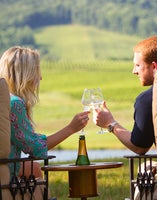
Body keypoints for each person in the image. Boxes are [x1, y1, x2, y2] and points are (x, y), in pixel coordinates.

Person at [0, 46, 90, 178]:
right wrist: (71, 128)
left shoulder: (5, 100)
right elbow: (36, 149)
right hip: (6, 178)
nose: (40, 77)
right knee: (35, 170)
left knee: (34, 168)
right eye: (36, 71)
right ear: (25, 75)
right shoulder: (14, 104)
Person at [95, 35, 157, 155]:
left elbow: (140, 147)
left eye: (138, 65)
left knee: (143, 169)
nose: (134, 71)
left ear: (154, 67)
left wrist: (110, 123)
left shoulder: (149, 99)